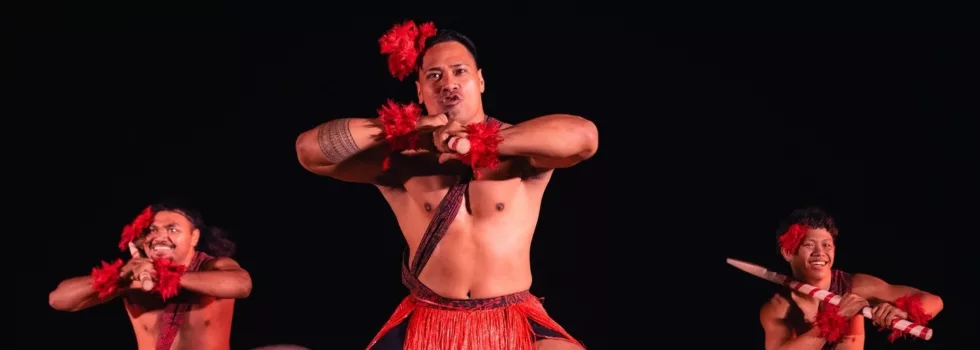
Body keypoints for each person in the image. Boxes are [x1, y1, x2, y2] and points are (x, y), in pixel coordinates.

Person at [295, 21, 597, 350]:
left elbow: (585, 138)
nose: (448, 84)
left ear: (480, 80)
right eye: (434, 75)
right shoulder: (402, 162)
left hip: (511, 316)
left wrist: (477, 142)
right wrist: (410, 129)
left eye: (459, 71)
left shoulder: (522, 151)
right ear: (419, 91)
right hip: (429, 320)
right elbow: (309, 151)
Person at [49, 201, 253, 350]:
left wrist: (164, 277)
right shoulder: (131, 276)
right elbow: (58, 300)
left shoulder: (211, 266)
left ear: (194, 237)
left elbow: (242, 285)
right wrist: (121, 275)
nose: (159, 236)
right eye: (152, 230)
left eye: (172, 229)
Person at [759, 207, 944, 350]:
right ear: (788, 252)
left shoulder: (855, 286)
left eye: (827, 245)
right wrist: (836, 318)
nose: (820, 253)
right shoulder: (778, 308)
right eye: (809, 245)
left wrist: (902, 313)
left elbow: (934, 301)